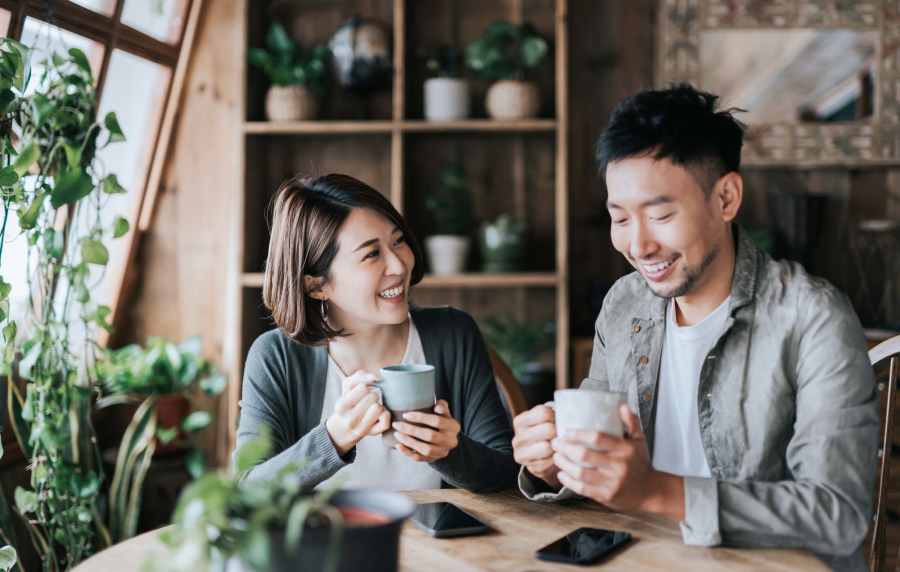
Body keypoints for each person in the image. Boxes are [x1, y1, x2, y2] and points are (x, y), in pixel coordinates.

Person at [512, 84, 878, 570]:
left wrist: (661, 493)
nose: (638, 245)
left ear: (725, 197)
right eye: (619, 218)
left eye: (660, 215)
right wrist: (553, 467)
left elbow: (839, 514)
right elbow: (596, 470)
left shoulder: (812, 318)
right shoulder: (624, 305)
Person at [235, 173, 517, 492]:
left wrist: (450, 452)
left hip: (440, 543)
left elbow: (506, 476)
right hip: (324, 542)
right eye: (371, 254)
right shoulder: (276, 357)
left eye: (398, 241)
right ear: (316, 285)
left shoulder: (453, 334)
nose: (398, 265)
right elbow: (246, 491)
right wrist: (333, 439)